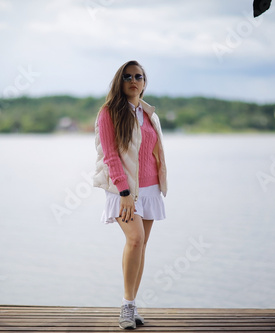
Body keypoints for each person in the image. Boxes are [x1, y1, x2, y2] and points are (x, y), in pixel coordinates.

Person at [93, 60, 168, 329]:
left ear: (144, 83)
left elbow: (153, 152)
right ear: (119, 81)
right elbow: (110, 156)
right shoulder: (109, 112)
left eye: (138, 76)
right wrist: (124, 192)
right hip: (123, 190)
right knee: (135, 240)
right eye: (127, 76)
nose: (133, 80)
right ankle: (126, 307)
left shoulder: (149, 114)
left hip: (149, 190)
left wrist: (160, 184)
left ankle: (133, 305)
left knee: (142, 245)